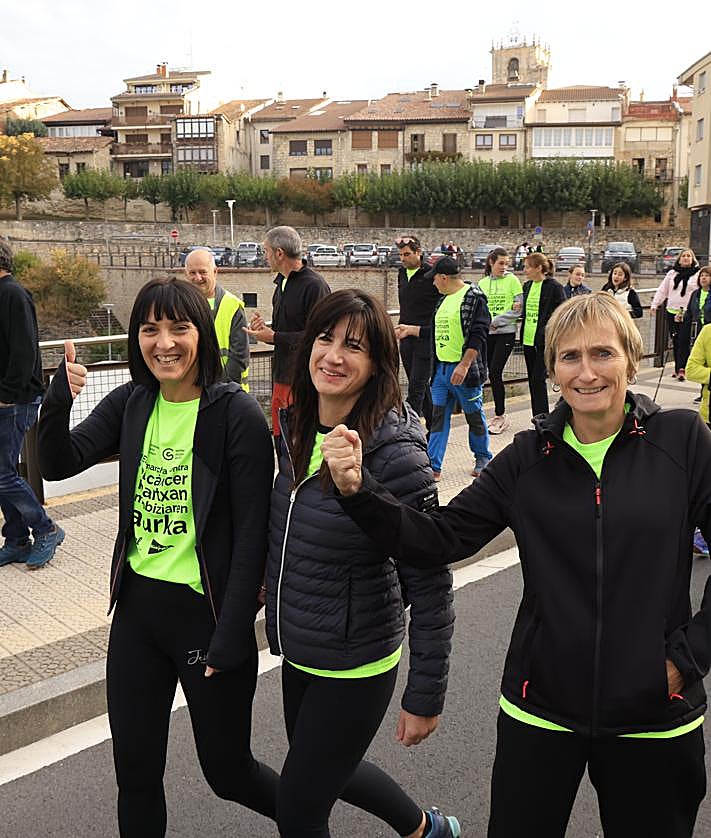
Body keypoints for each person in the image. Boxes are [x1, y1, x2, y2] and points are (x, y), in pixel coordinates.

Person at [324, 292, 711, 838]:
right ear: (552, 370)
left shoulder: (684, 442)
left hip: (656, 716)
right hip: (541, 708)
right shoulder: (528, 458)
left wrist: (686, 659)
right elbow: (441, 538)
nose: (587, 372)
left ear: (631, 356)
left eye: (603, 353)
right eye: (570, 357)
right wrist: (360, 491)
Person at [37, 278, 280, 837]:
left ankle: (306, 821)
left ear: (202, 334)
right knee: (136, 776)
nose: (163, 343)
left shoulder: (235, 415)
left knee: (229, 773)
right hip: (138, 615)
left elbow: (252, 540)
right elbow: (57, 462)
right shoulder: (134, 401)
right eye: (150, 329)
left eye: (178, 328)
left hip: (207, 617)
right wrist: (59, 399)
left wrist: (233, 634)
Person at [266, 289, 459, 838]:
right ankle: (427, 829)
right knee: (335, 770)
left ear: (376, 365)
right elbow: (288, 527)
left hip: (355, 662)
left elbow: (430, 581)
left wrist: (425, 694)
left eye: (353, 346)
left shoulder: (395, 454)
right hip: (302, 645)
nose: (332, 355)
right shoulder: (293, 426)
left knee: (299, 810)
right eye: (324, 338)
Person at [0, 239, 64, 570]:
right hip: (6, 400)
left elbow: (25, 352)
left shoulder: (13, 294)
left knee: (2, 474)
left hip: (15, 400)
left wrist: (7, 394)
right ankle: (16, 538)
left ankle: (46, 529)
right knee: (2, 472)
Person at [398, 257, 492, 480]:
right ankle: (434, 465)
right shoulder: (443, 301)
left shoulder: (474, 297)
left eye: (434, 280)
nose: (433, 284)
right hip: (440, 372)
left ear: (443, 277)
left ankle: (483, 457)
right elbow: (436, 331)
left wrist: (464, 365)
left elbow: (479, 334)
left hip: (463, 372)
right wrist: (411, 330)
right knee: (438, 417)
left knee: (474, 416)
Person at [245, 226, 330, 434]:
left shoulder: (314, 286)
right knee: (281, 438)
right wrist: (267, 331)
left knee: (298, 439)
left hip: (303, 380)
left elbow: (322, 336)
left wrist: (274, 336)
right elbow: (289, 329)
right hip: (281, 375)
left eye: (266, 251)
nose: (265, 256)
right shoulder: (281, 284)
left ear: (279, 253)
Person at [184, 247, 250, 390]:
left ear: (215, 272)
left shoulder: (232, 305)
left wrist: (219, 390)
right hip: (192, 392)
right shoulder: (179, 305)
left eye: (202, 272)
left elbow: (239, 357)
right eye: (192, 273)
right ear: (186, 274)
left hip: (227, 392)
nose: (198, 278)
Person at [394, 235, 441, 431]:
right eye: (401, 255)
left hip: (425, 339)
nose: (403, 259)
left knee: (416, 389)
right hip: (405, 339)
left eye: (407, 254)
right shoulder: (401, 274)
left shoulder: (431, 274)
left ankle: (408, 433)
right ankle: (434, 428)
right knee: (422, 389)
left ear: (418, 253)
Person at [479, 247, 523, 434]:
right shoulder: (482, 283)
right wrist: (487, 324)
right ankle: (480, 414)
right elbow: (479, 308)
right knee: (485, 372)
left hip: (505, 332)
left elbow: (517, 309)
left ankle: (500, 415)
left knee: (496, 371)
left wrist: (495, 322)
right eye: (501, 263)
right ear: (491, 262)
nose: (504, 267)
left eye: (506, 263)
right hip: (487, 334)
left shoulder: (513, 281)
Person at [520, 252, 565, 416]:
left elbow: (562, 313)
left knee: (538, 379)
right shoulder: (527, 286)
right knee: (532, 381)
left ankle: (543, 416)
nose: (524, 270)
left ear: (539, 268)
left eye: (527, 267)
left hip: (544, 342)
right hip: (527, 340)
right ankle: (537, 417)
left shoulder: (554, 287)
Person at [651, 248, 700, 381]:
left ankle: (682, 368)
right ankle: (677, 367)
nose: (685, 258)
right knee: (676, 340)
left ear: (692, 259)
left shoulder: (697, 274)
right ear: (679, 259)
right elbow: (663, 290)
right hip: (671, 311)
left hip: (687, 312)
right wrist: (655, 304)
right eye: (683, 256)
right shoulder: (672, 273)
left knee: (684, 340)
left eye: (688, 256)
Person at [679, 265, 711, 382]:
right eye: (701, 276)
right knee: (701, 362)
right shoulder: (695, 294)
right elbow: (689, 313)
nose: (703, 278)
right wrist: (681, 317)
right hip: (698, 332)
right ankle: (702, 391)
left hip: (709, 332)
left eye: (707, 276)